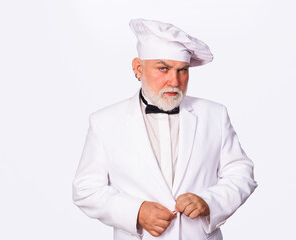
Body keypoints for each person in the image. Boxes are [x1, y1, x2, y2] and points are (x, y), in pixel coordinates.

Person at [72, 18, 257, 240]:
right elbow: (86, 190)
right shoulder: (105, 122)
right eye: (163, 68)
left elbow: (241, 173)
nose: (174, 81)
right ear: (139, 68)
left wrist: (210, 201)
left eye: (182, 70)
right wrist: (136, 212)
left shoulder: (214, 115)